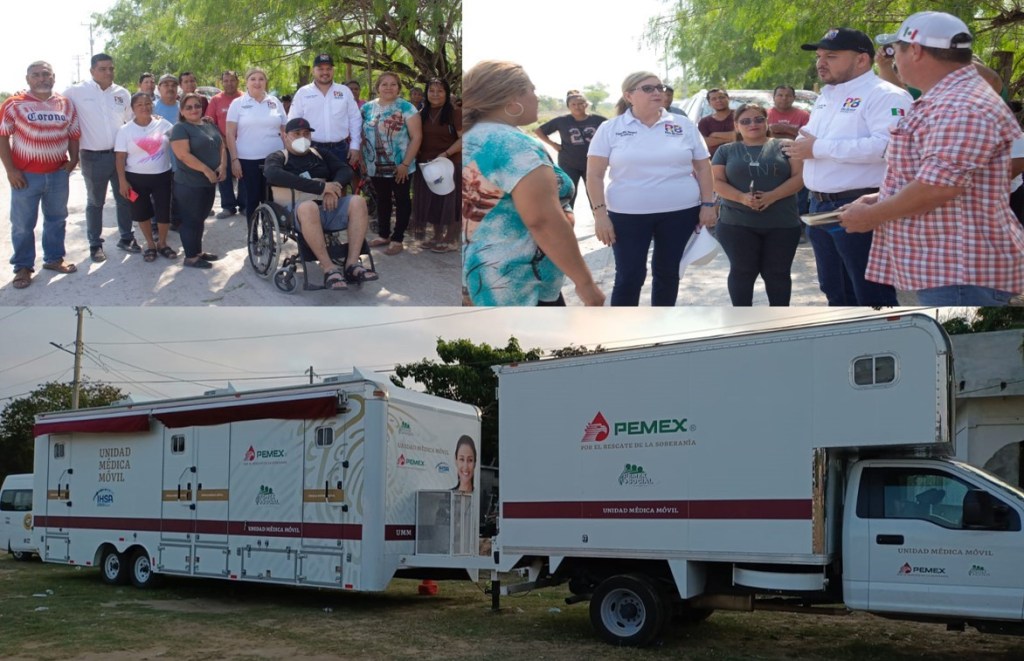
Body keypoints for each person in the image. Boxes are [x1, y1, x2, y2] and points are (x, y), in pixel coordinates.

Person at [839, 12, 1024, 306]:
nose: (893, 60)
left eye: (895, 50)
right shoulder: (948, 99)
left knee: (958, 352)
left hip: (960, 273)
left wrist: (873, 215)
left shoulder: (961, 105)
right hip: (951, 270)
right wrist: (881, 197)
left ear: (915, 50)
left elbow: (939, 187)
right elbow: (944, 179)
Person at [782, 27, 911, 306]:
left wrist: (819, 148)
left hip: (861, 204)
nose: (821, 62)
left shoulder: (886, 95)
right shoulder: (826, 96)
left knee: (871, 294)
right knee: (835, 292)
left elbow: (887, 147)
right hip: (819, 208)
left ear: (862, 60)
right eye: (818, 56)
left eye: (831, 55)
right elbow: (810, 141)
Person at [462, 60, 604, 306]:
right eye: (532, 90)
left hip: (481, 276)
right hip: (519, 284)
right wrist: (585, 283)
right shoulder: (514, 146)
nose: (537, 98)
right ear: (511, 98)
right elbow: (543, 221)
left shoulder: (470, 137)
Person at [586, 71, 716, 306]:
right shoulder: (610, 128)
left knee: (668, 273)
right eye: (648, 88)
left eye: (660, 87)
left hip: (681, 213)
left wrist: (708, 203)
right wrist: (600, 215)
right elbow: (594, 175)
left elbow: (704, 168)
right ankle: (624, 333)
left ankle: (661, 328)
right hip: (627, 215)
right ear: (628, 95)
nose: (658, 92)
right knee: (629, 276)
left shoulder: (684, 125)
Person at [264, 117, 378, 289]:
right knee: (309, 207)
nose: (302, 137)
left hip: (326, 207)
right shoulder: (278, 157)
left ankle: (352, 265)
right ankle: (329, 268)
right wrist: (321, 188)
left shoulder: (320, 154)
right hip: (294, 212)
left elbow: (344, 170)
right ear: (285, 136)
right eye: (296, 134)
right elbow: (273, 174)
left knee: (358, 202)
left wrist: (334, 188)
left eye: (306, 133)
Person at [712, 104, 804, 305]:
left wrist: (772, 196)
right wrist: (742, 198)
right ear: (736, 126)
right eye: (745, 121)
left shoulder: (786, 145)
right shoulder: (725, 150)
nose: (752, 124)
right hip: (736, 223)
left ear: (766, 121)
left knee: (777, 274)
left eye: (758, 119)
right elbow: (717, 182)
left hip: (782, 223)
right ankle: (742, 322)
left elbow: (799, 178)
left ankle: (779, 324)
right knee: (742, 271)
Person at [0, 61, 80, 289]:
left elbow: (74, 134)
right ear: (28, 79)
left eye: (46, 74)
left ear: (54, 78)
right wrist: (10, 170)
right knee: (23, 224)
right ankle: (23, 267)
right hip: (25, 176)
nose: (42, 78)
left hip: (57, 175)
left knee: (57, 219)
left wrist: (73, 160)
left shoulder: (65, 104)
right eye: (36, 75)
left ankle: (54, 259)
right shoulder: (14, 104)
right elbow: (2, 136)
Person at [64, 53, 138, 262]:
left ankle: (126, 237)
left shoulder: (122, 93)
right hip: (92, 157)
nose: (108, 72)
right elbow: (53, 102)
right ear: (92, 71)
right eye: (103, 69)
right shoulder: (76, 92)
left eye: (111, 68)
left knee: (125, 197)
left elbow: (131, 121)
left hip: (121, 156)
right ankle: (95, 244)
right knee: (95, 202)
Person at [361, 72, 421, 256]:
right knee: (382, 200)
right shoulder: (366, 108)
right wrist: (364, 160)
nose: (388, 87)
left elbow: (417, 136)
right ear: (377, 87)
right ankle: (384, 234)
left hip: (401, 165)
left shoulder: (406, 107)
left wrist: (405, 164)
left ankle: (397, 238)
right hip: (374, 165)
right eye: (384, 84)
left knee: (402, 200)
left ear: (399, 87)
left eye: (393, 84)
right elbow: (361, 135)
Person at [115, 92, 177, 263]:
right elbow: (120, 157)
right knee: (142, 213)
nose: (144, 107)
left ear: (153, 105)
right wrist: (122, 181)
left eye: (147, 103)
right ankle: (150, 244)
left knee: (164, 212)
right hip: (135, 178)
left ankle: (162, 243)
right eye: (139, 105)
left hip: (162, 175)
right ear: (133, 108)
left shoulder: (164, 124)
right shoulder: (125, 130)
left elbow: (179, 139)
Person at [170, 92, 226, 269]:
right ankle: (190, 257)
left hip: (208, 182)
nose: (194, 110)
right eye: (189, 107)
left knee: (200, 218)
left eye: (197, 106)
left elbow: (221, 145)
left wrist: (223, 165)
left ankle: (198, 252)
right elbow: (183, 155)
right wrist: (206, 170)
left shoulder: (208, 124)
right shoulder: (181, 128)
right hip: (189, 183)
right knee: (190, 220)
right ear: (182, 110)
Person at [226, 67, 286, 227]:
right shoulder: (237, 104)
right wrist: (234, 159)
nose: (257, 82)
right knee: (253, 199)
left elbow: (284, 131)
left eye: (261, 79)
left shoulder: (275, 102)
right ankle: (254, 237)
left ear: (266, 82)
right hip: (248, 160)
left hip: (275, 159)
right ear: (246, 82)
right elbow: (230, 134)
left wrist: (290, 155)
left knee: (272, 199)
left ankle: (269, 236)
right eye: (253, 79)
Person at [533, 90, 606, 209]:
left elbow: (612, 134)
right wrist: (553, 144)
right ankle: (567, 223)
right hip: (569, 162)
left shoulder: (599, 120)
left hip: (593, 163)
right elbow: (539, 131)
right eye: (573, 104)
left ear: (586, 104)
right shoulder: (562, 121)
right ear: (568, 106)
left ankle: (600, 222)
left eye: (580, 103)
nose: (577, 107)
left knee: (595, 195)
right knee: (569, 194)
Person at [413, 77, 462, 252]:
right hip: (427, 166)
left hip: (450, 164)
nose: (435, 94)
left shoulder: (455, 113)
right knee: (432, 201)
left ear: (446, 93)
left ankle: (451, 239)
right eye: (431, 90)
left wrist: (446, 153)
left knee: (449, 201)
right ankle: (436, 236)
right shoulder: (421, 113)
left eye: (440, 91)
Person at [287, 53, 361, 168]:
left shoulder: (344, 91)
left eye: (328, 69)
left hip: (340, 149)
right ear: (313, 71)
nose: (325, 72)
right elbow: (293, 121)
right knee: (315, 184)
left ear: (333, 70)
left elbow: (355, 118)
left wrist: (355, 146)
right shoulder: (303, 92)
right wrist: (296, 146)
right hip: (311, 148)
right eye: (320, 69)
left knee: (340, 184)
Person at [205, 70, 245, 219]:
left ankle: (244, 205)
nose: (229, 83)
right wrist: (223, 140)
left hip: (243, 144)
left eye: (232, 80)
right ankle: (228, 206)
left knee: (243, 175)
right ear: (222, 82)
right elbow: (209, 122)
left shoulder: (245, 98)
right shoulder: (216, 100)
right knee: (224, 176)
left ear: (238, 81)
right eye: (226, 81)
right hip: (223, 145)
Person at [697, 89, 735, 157]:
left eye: (721, 97)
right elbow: (703, 142)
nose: (718, 100)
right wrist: (729, 139)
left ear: (728, 99)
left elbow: (742, 135)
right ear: (709, 103)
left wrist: (715, 134)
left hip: (739, 157)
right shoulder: (705, 122)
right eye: (714, 99)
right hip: (714, 161)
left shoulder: (739, 116)